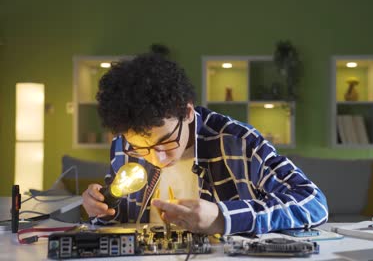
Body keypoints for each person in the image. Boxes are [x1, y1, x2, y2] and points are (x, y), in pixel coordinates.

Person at [82, 51, 328, 235]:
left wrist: (224, 218)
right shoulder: (124, 146)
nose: (158, 158)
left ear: (187, 112)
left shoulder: (238, 141)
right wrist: (100, 210)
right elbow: (117, 224)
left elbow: (314, 203)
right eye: (141, 148)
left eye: (165, 142)